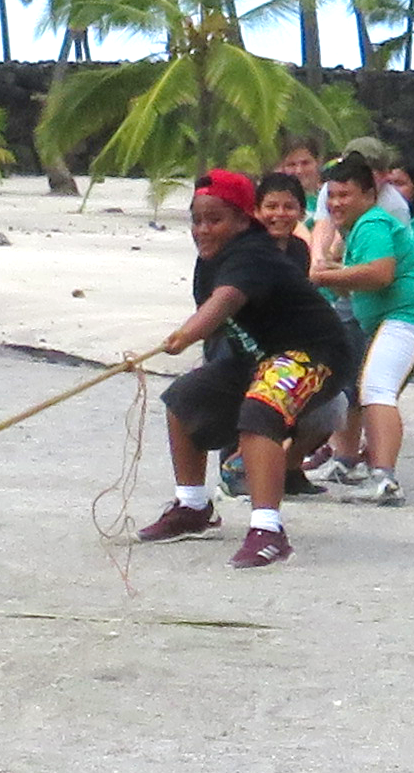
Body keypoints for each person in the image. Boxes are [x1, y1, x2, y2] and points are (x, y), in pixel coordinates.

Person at [135, 172, 359, 571]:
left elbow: (223, 303)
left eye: (214, 219)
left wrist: (183, 335)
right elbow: (224, 328)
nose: (202, 230)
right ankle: (192, 506)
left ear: (242, 220)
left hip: (312, 353)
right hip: (256, 357)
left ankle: (268, 531)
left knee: (260, 412)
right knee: (185, 398)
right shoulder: (210, 261)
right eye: (196, 220)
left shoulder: (251, 253)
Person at [302, 153, 414, 505]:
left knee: (377, 389)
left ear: (368, 195)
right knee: (359, 385)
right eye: (332, 196)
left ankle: (384, 478)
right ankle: (349, 462)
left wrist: (324, 274)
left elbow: (380, 273)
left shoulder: (372, 223)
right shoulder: (356, 230)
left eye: (345, 195)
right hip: (395, 319)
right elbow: (357, 281)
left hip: (409, 316)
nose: (336, 203)